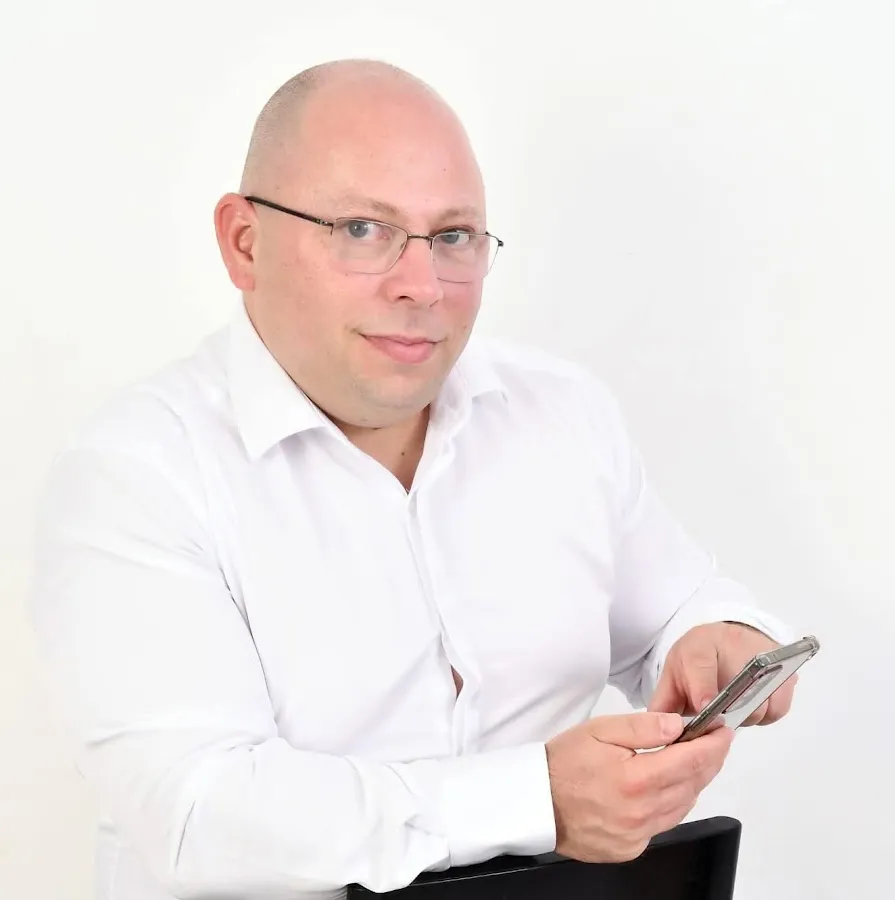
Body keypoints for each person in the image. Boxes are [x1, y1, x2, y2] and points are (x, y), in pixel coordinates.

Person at [29, 59, 799, 900]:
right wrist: (535, 801)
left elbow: (678, 608)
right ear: (244, 242)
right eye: (363, 229)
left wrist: (718, 636)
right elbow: (198, 815)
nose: (422, 286)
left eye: (454, 236)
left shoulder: (561, 414)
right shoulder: (135, 475)